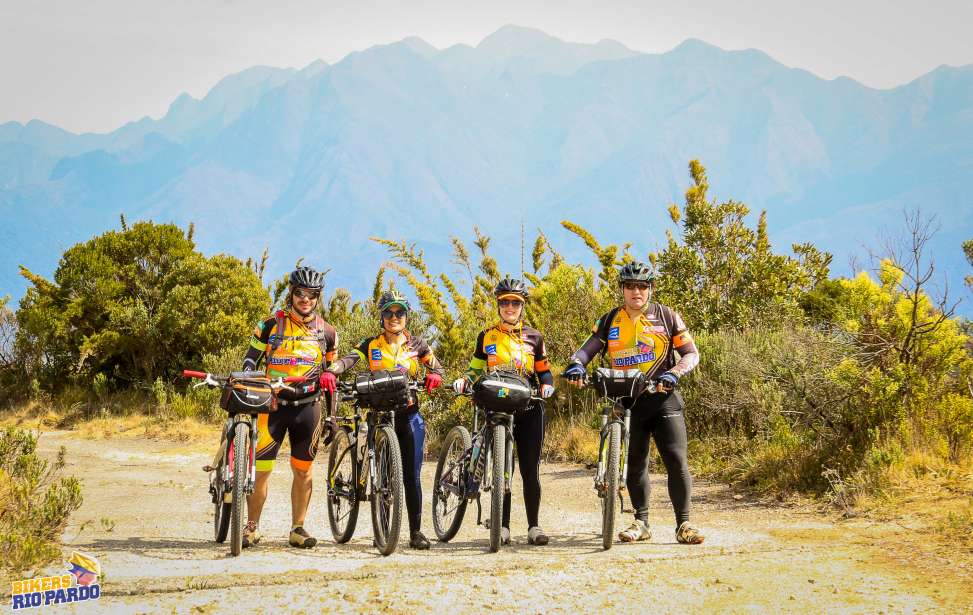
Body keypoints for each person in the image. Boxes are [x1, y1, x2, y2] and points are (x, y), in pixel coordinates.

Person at [564, 262, 704, 545]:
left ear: (650, 288)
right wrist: (576, 366)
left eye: (642, 286)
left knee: (676, 462)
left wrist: (674, 373)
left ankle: (684, 524)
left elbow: (691, 354)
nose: (636, 291)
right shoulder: (609, 320)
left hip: (663, 399)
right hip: (627, 402)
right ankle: (641, 522)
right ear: (622, 289)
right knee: (636, 464)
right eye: (630, 286)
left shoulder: (667, 316)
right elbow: (586, 350)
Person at [322, 290, 444, 550]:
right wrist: (332, 371)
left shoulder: (418, 345)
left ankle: (416, 532)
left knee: (411, 475)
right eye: (388, 312)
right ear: (381, 316)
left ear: (406, 317)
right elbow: (348, 360)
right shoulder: (371, 344)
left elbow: (437, 366)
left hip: (408, 414)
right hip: (378, 415)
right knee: (385, 477)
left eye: (399, 312)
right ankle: (386, 531)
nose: (394, 317)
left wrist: (435, 375)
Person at [452, 277, 555, 546]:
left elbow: (544, 373)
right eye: (505, 302)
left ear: (522, 306)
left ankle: (534, 526)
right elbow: (475, 369)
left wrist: (547, 387)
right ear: (498, 305)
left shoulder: (535, 337)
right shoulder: (487, 336)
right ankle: (504, 526)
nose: (510, 307)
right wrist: (465, 380)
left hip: (529, 407)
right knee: (502, 468)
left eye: (515, 302)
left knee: (529, 470)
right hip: (498, 408)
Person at [240, 266, 338, 549]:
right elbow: (250, 361)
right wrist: (251, 377)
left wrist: (332, 416)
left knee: (304, 471)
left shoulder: (327, 333)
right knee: (262, 470)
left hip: (309, 408)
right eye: (299, 294)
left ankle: (298, 528)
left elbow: (331, 379)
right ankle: (251, 527)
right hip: (272, 407)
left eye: (311, 295)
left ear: (318, 298)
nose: (305, 299)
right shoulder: (269, 325)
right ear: (291, 294)